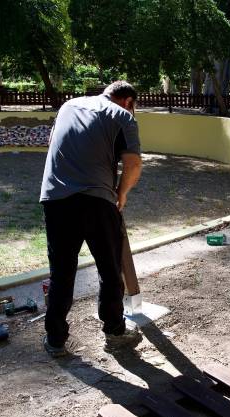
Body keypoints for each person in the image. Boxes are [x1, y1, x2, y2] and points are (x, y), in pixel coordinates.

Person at [39, 80, 143, 357]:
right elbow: (133, 164)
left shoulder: (68, 105)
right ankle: (114, 333)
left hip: (55, 199)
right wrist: (121, 194)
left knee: (61, 273)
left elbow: (53, 143)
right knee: (109, 270)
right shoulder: (123, 116)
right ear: (128, 102)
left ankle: (55, 340)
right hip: (98, 201)